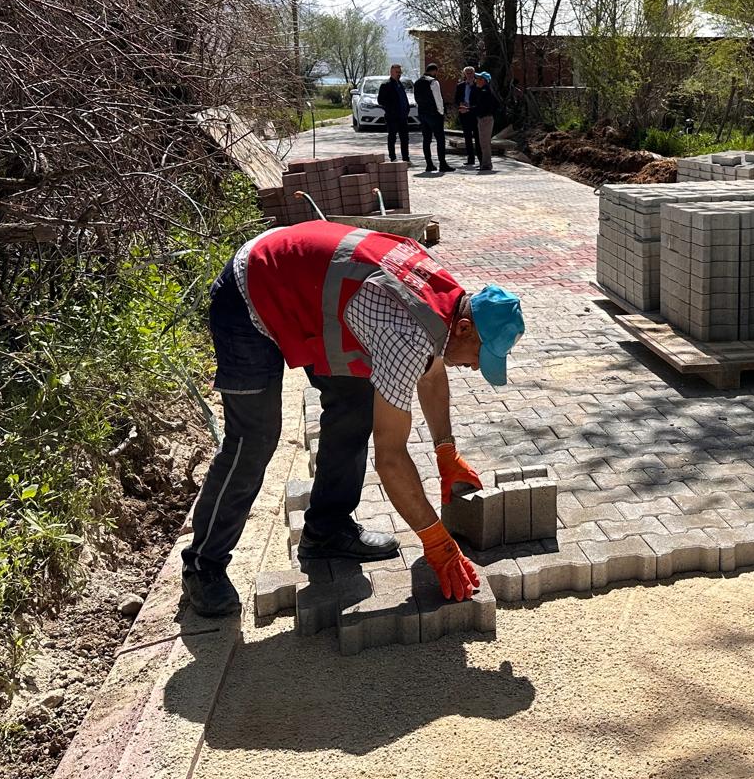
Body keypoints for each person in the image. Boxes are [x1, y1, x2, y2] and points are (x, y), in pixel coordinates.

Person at [181, 219, 525, 618]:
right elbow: (391, 458)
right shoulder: (405, 332)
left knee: (355, 403)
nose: (473, 369)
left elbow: (431, 371)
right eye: (479, 357)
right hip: (252, 291)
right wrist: (435, 540)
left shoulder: (448, 299)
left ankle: (327, 529)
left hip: (308, 290)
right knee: (255, 437)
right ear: (465, 327)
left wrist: (445, 450)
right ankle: (203, 565)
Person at [413, 62, 453, 174]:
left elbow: (416, 99)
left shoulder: (417, 82)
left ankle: (429, 164)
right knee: (440, 139)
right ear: (434, 71)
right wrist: (441, 112)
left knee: (427, 140)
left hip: (422, 113)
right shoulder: (433, 82)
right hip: (434, 114)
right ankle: (442, 163)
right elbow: (438, 99)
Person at [376, 64, 411, 164]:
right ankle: (393, 158)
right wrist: (391, 109)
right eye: (397, 72)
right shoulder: (386, 85)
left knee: (405, 138)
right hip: (392, 117)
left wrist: (407, 108)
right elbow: (381, 100)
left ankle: (406, 159)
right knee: (392, 137)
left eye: (400, 72)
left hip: (403, 116)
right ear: (391, 72)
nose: (399, 74)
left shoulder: (400, 84)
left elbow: (403, 98)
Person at [470, 70, 501, 174]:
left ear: (483, 80)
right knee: (483, 142)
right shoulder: (481, 90)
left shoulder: (486, 91)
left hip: (485, 119)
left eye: (478, 78)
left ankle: (487, 164)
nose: (476, 80)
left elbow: (484, 107)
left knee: (485, 142)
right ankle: (485, 163)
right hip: (482, 118)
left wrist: (470, 109)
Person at [455, 66, 481, 169]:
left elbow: (480, 99)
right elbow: (456, 99)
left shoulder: (477, 85)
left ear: (474, 74)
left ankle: (481, 159)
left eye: (471, 73)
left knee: (478, 137)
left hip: (474, 113)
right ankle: (470, 159)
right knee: (467, 137)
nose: (469, 75)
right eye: (467, 73)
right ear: (464, 74)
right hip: (464, 113)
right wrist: (460, 103)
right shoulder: (460, 85)